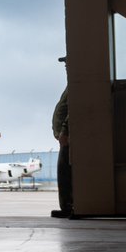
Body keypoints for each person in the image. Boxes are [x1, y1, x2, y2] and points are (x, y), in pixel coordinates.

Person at [52, 56, 72, 218]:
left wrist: (64, 131)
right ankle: (67, 205)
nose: (66, 67)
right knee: (64, 172)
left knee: (66, 173)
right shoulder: (70, 85)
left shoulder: (77, 84)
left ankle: (69, 206)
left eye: (68, 63)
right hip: (64, 139)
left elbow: (73, 110)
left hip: (68, 139)